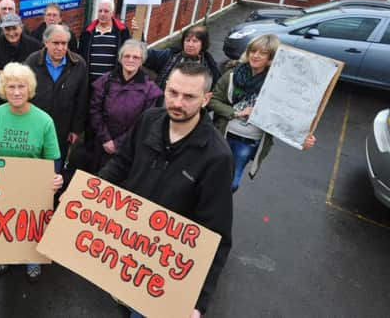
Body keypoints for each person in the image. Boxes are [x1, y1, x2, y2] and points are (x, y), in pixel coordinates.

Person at [98, 62, 233, 318]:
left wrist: (198, 301)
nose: (178, 103)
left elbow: (216, 235)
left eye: (189, 96)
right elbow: (121, 163)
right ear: (165, 88)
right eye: (173, 93)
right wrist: (87, 194)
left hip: (162, 268)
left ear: (206, 99)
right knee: (122, 304)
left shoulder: (217, 156)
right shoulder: (149, 119)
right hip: (126, 247)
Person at [0, 62, 62, 282]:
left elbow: (53, 158)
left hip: (32, 186)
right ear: (3, 90)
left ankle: (32, 260)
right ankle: (3, 255)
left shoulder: (44, 120)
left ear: (29, 89)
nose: (17, 92)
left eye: (21, 86)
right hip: (1, 184)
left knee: (31, 224)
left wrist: (56, 177)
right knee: (2, 221)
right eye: (11, 87)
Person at [208, 34, 316, 192]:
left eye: (262, 53)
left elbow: (287, 117)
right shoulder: (232, 75)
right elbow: (213, 100)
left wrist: (301, 139)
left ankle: (216, 207)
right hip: (223, 134)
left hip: (248, 142)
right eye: (253, 51)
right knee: (211, 176)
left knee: (231, 183)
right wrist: (236, 113)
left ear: (271, 57)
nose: (255, 55)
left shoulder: (278, 84)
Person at [25, 24, 89, 173]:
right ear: (46, 42)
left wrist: (76, 129)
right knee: (32, 166)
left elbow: (82, 99)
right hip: (34, 127)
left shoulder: (78, 64)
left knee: (54, 168)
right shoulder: (32, 61)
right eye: (55, 43)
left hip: (62, 128)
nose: (60, 48)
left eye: (64, 43)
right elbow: (24, 93)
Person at [90, 39, 162, 170]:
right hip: (102, 144)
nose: (131, 60)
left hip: (130, 148)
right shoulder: (106, 81)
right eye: (127, 56)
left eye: (136, 57)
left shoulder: (150, 89)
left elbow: (144, 123)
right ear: (120, 58)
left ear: (142, 61)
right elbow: (95, 110)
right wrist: (106, 139)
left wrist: (118, 144)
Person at [145, 25, 221, 105]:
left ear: (203, 44)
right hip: (161, 106)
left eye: (195, 41)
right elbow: (143, 54)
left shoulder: (210, 68)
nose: (190, 44)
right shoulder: (170, 55)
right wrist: (138, 32)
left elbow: (212, 96)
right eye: (187, 40)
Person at [0, 13, 42, 104]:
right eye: (7, 29)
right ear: (2, 30)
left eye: (14, 28)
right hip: (2, 95)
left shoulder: (35, 45)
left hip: (27, 94)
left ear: (21, 28)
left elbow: (41, 67)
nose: (11, 33)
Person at [78, 0, 131, 83]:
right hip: (89, 84)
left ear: (112, 13)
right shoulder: (87, 32)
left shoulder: (122, 32)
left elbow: (129, 54)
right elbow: (80, 57)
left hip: (111, 84)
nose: (102, 14)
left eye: (106, 11)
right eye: (100, 11)